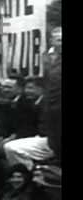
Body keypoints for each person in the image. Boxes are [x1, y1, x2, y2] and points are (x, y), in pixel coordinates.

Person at [43, 27, 62, 163]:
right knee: (54, 141)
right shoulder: (42, 57)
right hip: (50, 106)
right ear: (52, 41)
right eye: (59, 40)